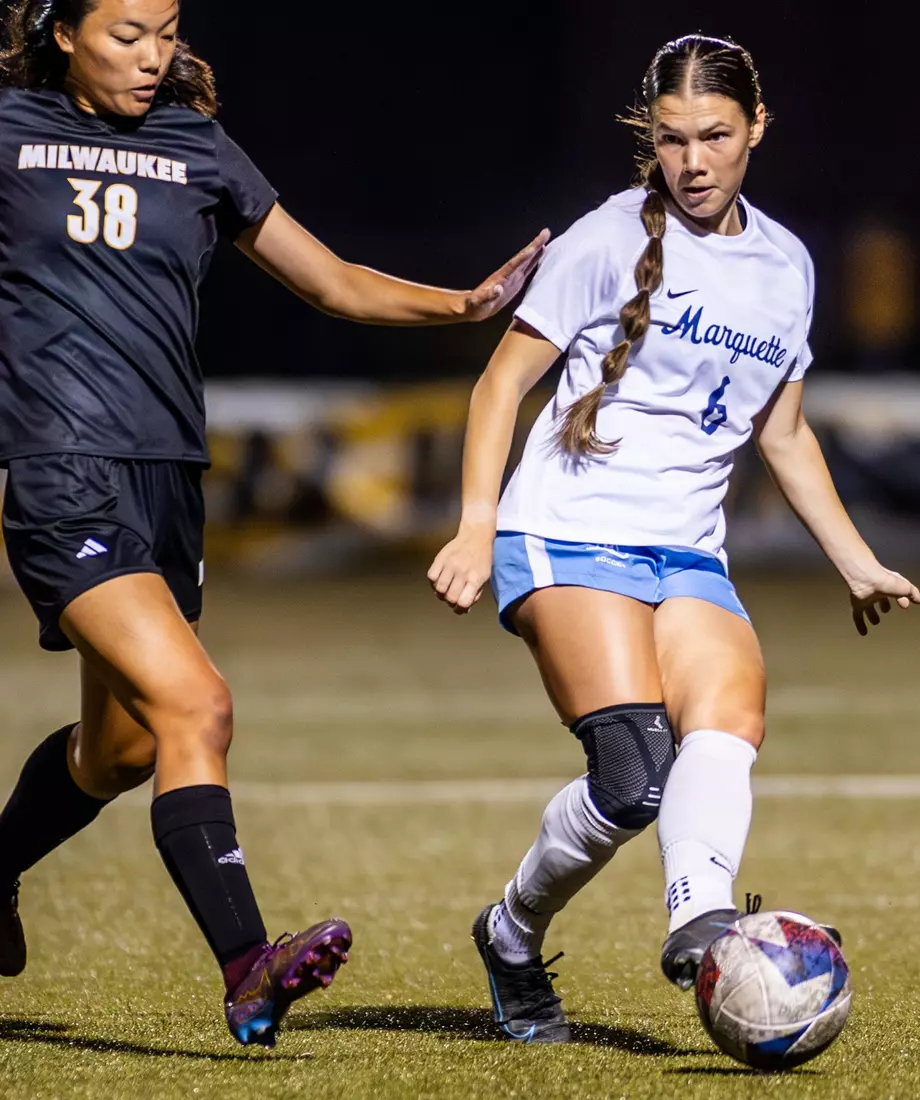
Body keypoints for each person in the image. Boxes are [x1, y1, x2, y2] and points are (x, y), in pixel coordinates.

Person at [0, 0, 546, 1049]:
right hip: (62, 473)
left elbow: (331, 280)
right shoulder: (10, 129)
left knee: (118, 751)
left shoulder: (195, 144)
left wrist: (463, 306)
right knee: (196, 704)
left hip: (169, 479)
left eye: (166, 31)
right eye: (125, 34)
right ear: (62, 32)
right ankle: (249, 967)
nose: (153, 55)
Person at [428, 33, 920, 1044]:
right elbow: (499, 384)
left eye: (714, 137)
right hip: (567, 529)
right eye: (671, 139)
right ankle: (510, 933)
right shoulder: (604, 240)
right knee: (632, 779)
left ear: (757, 128)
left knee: (728, 720)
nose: (692, 162)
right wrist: (476, 526)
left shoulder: (785, 265)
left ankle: (701, 917)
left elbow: (782, 432)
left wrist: (856, 559)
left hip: (688, 549)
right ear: (648, 139)